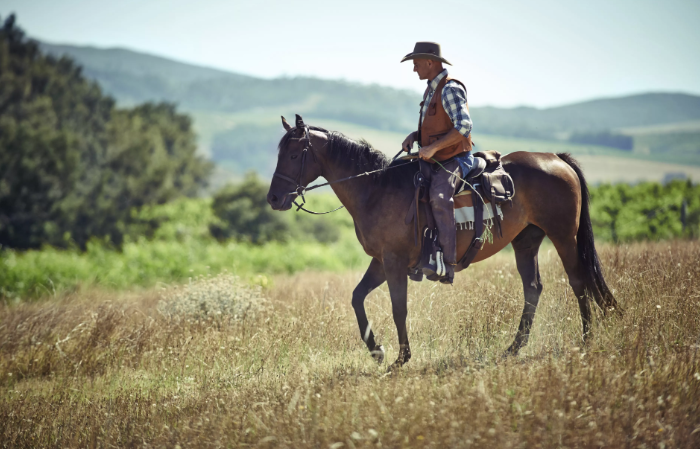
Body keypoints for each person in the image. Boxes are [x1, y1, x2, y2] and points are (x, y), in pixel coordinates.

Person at [401, 41, 474, 284]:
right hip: (437, 158)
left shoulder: (450, 88)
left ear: (431, 63)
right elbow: (436, 127)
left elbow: (464, 126)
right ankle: (419, 256)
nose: (414, 69)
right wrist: (416, 136)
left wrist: (432, 148)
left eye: (416, 64)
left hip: (456, 159)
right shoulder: (431, 89)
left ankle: (448, 264)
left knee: (439, 198)